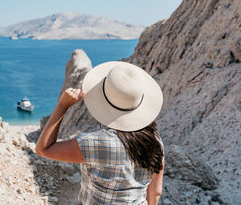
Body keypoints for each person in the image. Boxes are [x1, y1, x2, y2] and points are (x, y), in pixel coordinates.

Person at [36, 61, 165, 204]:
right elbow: (155, 191)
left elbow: (44, 149)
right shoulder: (154, 140)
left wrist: (62, 106)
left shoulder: (97, 143)